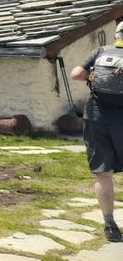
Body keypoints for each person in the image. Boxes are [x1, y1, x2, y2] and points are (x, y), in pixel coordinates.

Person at [69, 21, 123, 242]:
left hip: (97, 115)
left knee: (103, 172)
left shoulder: (100, 51)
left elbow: (75, 74)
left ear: (117, 35)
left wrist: (91, 75)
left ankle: (109, 225)